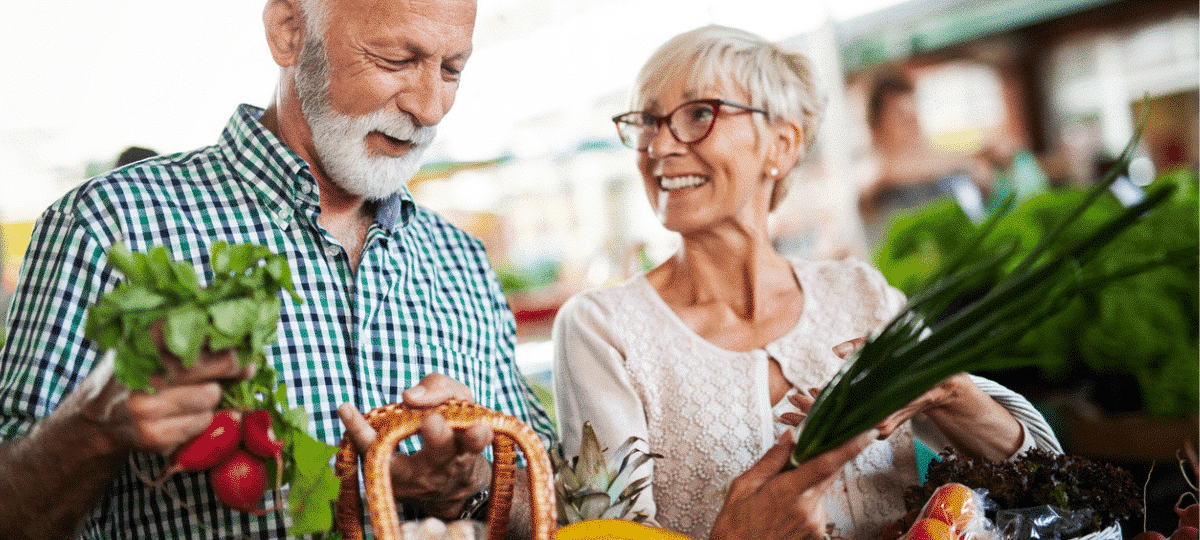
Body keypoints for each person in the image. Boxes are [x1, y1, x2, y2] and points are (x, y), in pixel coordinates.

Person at [0, 0, 556, 538]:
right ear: (288, 30)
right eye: (396, 61)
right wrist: (91, 430)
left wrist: (478, 486)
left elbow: (555, 504)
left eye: (452, 70)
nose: (430, 107)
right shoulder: (107, 224)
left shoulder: (462, 260)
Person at [551, 25, 1062, 540]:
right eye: (646, 121)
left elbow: (1052, 485)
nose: (658, 145)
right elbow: (602, 532)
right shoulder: (602, 329)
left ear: (781, 144)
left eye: (698, 113)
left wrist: (950, 392)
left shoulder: (861, 294)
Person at [857, 70, 1011, 247]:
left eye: (915, 116)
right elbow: (889, 175)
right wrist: (970, 161)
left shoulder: (940, 166)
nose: (914, 125)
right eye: (902, 117)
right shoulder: (867, 173)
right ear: (876, 126)